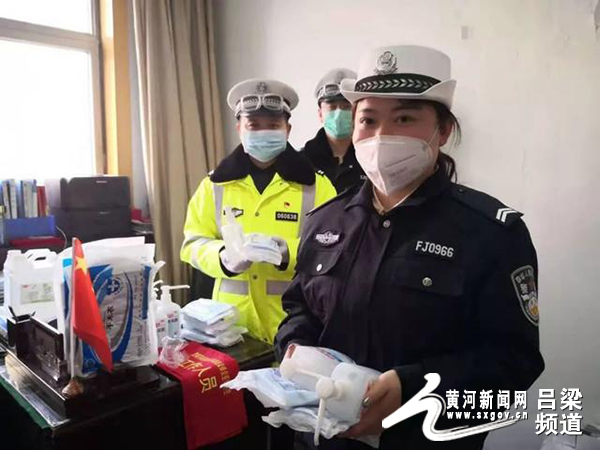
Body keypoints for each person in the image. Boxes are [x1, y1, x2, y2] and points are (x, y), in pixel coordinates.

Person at [275, 45, 544, 449]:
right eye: (368, 120)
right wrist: (294, 348)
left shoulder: (491, 233)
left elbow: (514, 363)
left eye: (404, 118)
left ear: (443, 131)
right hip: (322, 437)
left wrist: (415, 388)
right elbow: (300, 309)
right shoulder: (325, 221)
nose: (382, 135)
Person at [181, 78, 336, 344]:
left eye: (273, 125)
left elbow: (334, 247)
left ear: (287, 129)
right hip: (229, 327)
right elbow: (192, 245)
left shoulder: (316, 186)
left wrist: (289, 252)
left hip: (294, 322)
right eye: (253, 125)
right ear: (239, 128)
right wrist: (224, 257)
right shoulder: (215, 185)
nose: (263, 132)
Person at [302, 68, 367, 193]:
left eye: (346, 106)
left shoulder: (370, 158)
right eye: (332, 107)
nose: (339, 113)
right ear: (320, 114)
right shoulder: (302, 161)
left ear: (358, 112)